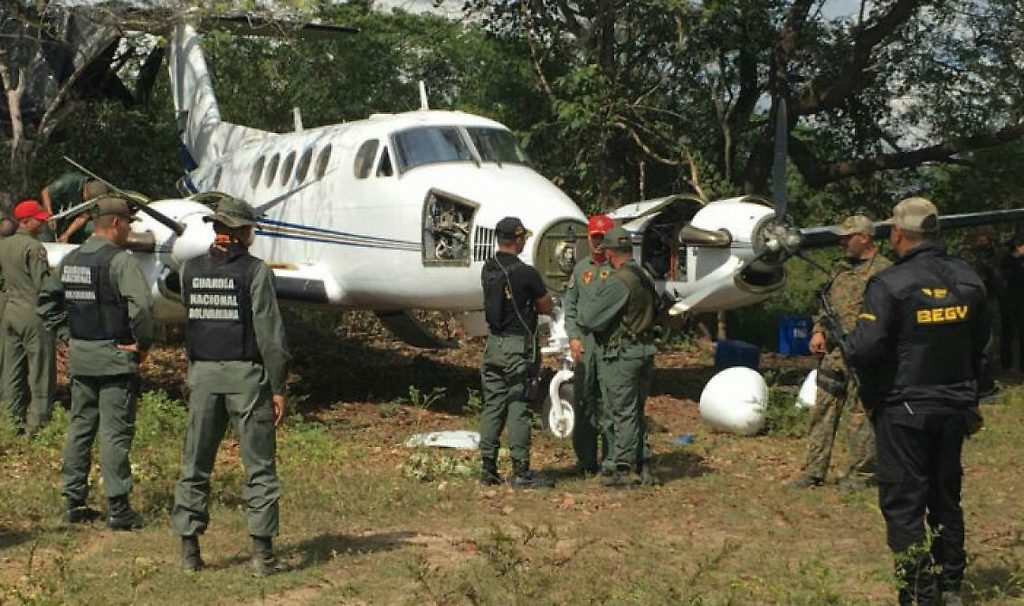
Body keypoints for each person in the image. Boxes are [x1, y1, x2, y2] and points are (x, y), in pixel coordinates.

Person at [845, 197, 991, 606]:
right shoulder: (969, 279)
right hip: (955, 408)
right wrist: (972, 396)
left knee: (904, 504)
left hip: (905, 409)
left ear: (896, 233)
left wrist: (851, 343)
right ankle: (950, 585)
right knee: (946, 498)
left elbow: (867, 348)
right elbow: (982, 347)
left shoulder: (889, 284)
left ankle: (917, 593)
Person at [171, 196, 290, 575]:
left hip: (203, 375)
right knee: (258, 467)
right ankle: (261, 555)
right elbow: (270, 335)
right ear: (241, 230)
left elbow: (193, 322)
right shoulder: (255, 271)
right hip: (245, 378)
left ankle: (190, 551)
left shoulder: (189, 270)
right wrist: (279, 385)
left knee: (195, 463)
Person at [38, 196, 154, 529]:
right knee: (115, 433)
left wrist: (66, 334)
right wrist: (142, 344)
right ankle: (119, 508)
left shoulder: (72, 258)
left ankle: (74, 501)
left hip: (82, 356)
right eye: (129, 223)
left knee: (80, 428)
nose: (130, 230)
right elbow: (142, 309)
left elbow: (47, 301)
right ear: (115, 224)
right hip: (115, 359)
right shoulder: (120, 262)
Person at [791, 214, 891, 489]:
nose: (843, 242)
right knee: (822, 411)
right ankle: (813, 471)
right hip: (835, 354)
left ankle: (861, 475)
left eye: (849, 237)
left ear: (865, 237)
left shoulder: (885, 272)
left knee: (862, 417)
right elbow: (826, 306)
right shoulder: (840, 270)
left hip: (866, 355)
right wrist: (818, 330)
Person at [578, 226, 658, 487]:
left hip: (622, 354)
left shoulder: (619, 280)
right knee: (636, 410)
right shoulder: (644, 274)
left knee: (621, 411)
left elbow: (589, 318)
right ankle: (643, 463)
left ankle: (623, 469)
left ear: (610, 253)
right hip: (644, 349)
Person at [478, 216, 554, 489]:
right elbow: (545, 306)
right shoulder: (526, 273)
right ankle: (521, 470)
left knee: (493, 405)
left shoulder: (488, 268)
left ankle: (488, 468)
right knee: (519, 405)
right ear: (518, 239)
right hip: (517, 347)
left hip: (493, 345)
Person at [562, 214, 615, 475]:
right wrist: (573, 336)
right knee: (583, 400)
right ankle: (585, 461)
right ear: (588, 238)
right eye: (595, 238)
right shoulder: (580, 269)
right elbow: (569, 305)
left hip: (610, 343)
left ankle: (612, 459)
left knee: (610, 401)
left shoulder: (619, 270)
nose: (599, 243)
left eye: (603, 238)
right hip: (585, 342)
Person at [0, 200, 57, 436]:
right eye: (38, 219)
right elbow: (44, 286)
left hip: (10, 311)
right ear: (25, 221)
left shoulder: (4, 245)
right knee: (41, 371)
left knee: (11, 370)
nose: (42, 222)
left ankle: (10, 422)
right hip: (34, 313)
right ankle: (37, 426)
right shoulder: (35, 248)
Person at [39, 172, 109, 243]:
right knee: (46, 239)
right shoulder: (69, 181)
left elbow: (83, 217)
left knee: (91, 228)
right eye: (87, 199)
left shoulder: (96, 197)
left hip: (72, 218)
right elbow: (45, 192)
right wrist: (49, 213)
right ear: (85, 190)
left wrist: (67, 234)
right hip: (53, 212)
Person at [999, 231, 1024, 372]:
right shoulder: (1008, 262)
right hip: (1011, 303)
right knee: (1008, 334)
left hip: (1017, 302)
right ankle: (1006, 364)